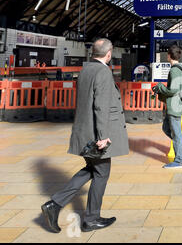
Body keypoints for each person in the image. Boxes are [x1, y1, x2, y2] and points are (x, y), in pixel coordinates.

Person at [41, 38, 129, 233]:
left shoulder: (86, 70)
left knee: (93, 169)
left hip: (83, 131)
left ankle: (54, 205)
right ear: (109, 53)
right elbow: (101, 106)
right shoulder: (103, 72)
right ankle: (91, 219)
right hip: (95, 134)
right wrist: (103, 136)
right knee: (102, 173)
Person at [152, 45, 182, 169]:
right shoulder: (179, 68)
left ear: (169, 55)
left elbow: (174, 90)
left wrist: (160, 87)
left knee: (176, 133)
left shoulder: (174, 70)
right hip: (174, 105)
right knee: (166, 128)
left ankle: (179, 160)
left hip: (174, 106)